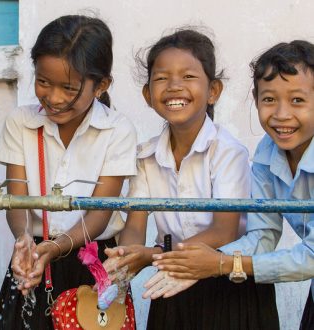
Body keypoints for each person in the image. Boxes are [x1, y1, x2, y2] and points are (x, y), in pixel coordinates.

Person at [104, 29, 279, 329]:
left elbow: (223, 231)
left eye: (188, 76)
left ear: (213, 91)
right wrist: (125, 256)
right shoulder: (145, 156)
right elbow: (135, 224)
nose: (174, 86)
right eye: (161, 78)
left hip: (228, 282)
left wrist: (153, 256)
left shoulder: (227, 151)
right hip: (170, 286)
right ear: (147, 95)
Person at [149, 40, 314, 330]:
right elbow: (263, 235)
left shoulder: (229, 151)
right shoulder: (268, 152)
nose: (281, 114)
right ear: (255, 98)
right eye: (269, 99)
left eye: (297, 100)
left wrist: (223, 264)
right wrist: (204, 261)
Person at [0, 15, 137, 330]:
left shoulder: (117, 130)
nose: (54, 98)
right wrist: (23, 241)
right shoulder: (21, 122)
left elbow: (100, 214)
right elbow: (16, 200)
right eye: (43, 82)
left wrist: (54, 248)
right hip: (33, 258)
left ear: (101, 86)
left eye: (68, 88)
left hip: (92, 263)